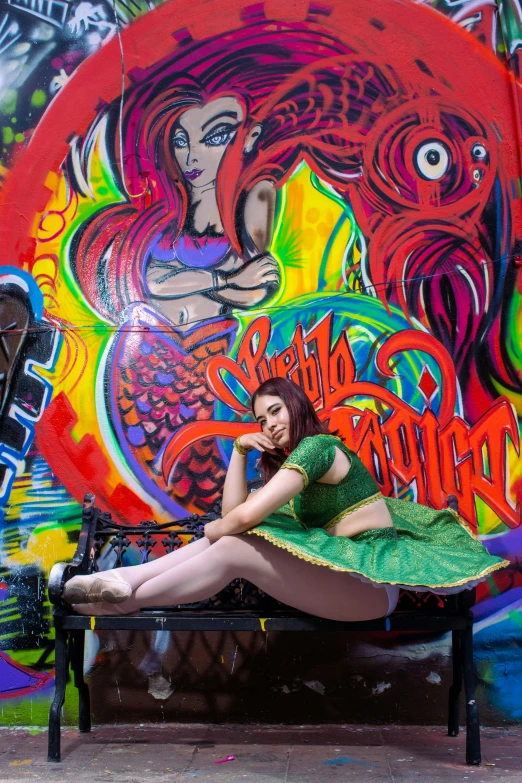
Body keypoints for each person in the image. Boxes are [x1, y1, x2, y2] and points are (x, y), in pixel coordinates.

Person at [61, 378, 509, 621]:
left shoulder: (318, 449)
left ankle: (124, 595)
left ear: (297, 408)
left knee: (235, 543)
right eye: (261, 418)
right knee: (243, 534)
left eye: (276, 410)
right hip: (343, 586)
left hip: (370, 593)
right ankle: (116, 585)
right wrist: (239, 450)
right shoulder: (292, 477)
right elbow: (239, 513)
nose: (270, 424)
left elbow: (236, 521)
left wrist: (216, 531)